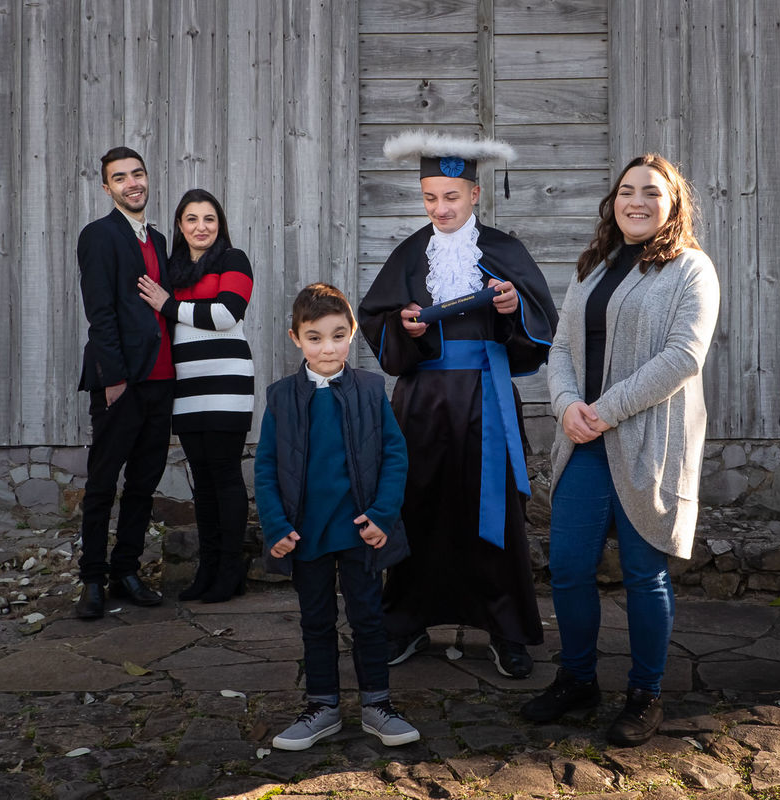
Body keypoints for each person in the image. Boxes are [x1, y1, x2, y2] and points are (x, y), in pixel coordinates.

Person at [520, 154, 720, 747]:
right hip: (582, 437)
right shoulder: (592, 266)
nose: (637, 201)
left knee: (643, 573)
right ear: (613, 202)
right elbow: (559, 347)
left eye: (651, 193)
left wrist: (603, 411)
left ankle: (644, 692)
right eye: (627, 191)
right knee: (570, 566)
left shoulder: (691, 269)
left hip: (646, 439)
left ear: (673, 204)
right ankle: (577, 679)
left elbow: (684, 358)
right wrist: (564, 407)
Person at [358, 131, 558, 679]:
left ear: (474, 194)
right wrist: (404, 327)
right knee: (415, 505)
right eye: (429, 197)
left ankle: (507, 630)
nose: (439, 208)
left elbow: (541, 327)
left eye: (451, 196)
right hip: (421, 402)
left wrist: (515, 306)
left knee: (494, 513)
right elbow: (375, 320)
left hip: (488, 397)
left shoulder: (505, 250)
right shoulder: (408, 253)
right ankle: (405, 622)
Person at [255, 283, 419, 751]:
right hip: (304, 533)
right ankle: (322, 707)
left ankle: (377, 705)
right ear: (295, 339)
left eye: (338, 335)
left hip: (359, 531)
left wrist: (382, 516)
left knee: (368, 617)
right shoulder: (281, 398)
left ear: (351, 335)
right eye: (314, 337)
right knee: (316, 619)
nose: (328, 348)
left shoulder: (370, 390)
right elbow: (266, 466)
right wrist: (275, 527)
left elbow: (394, 456)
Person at [137, 189, 255, 603]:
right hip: (186, 387)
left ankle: (230, 570)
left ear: (219, 224)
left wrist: (170, 305)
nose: (200, 227)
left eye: (209, 219)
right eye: (191, 219)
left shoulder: (232, 259)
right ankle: (207, 571)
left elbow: (226, 315)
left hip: (227, 381)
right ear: (180, 225)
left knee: (224, 475)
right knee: (202, 483)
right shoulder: (172, 269)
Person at [75, 146, 174, 619]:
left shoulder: (156, 239)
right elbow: (100, 312)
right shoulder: (98, 236)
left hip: (161, 379)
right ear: (107, 187)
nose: (132, 183)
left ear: (147, 178)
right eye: (120, 178)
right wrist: (111, 379)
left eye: (138, 174)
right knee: (102, 482)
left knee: (143, 481)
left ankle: (126, 570)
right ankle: (92, 578)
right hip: (121, 382)